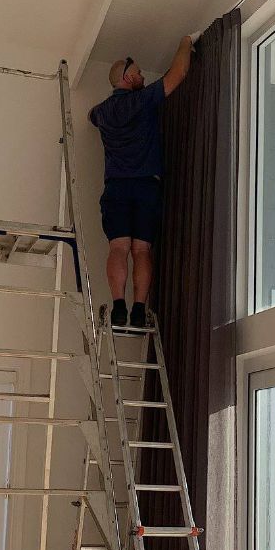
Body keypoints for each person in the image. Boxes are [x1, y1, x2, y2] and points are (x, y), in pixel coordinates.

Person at [88, 31, 200, 329]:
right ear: (126, 79)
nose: (140, 76)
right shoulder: (141, 100)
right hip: (146, 186)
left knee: (118, 248)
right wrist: (185, 41)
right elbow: (179, 73)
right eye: (137, 73)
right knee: (141, 251)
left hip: (116, 188)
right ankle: (139, 308)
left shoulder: (103, 111)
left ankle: (118, 306)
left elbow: (91, 116)